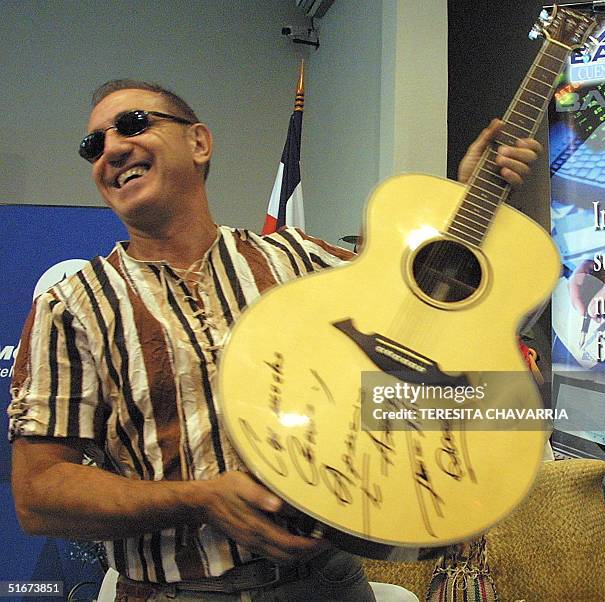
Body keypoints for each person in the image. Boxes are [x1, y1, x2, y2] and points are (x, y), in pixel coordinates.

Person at [8, 80, 542, 601]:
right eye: (92, 145)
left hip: (329, 583)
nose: (110, 149)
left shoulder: (298, 260)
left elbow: (423, 323)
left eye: (131, 124)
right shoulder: (71, 306)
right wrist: (198, 500)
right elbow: (39, 495)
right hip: (177, 592)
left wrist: (471, 199)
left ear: (198, 143)